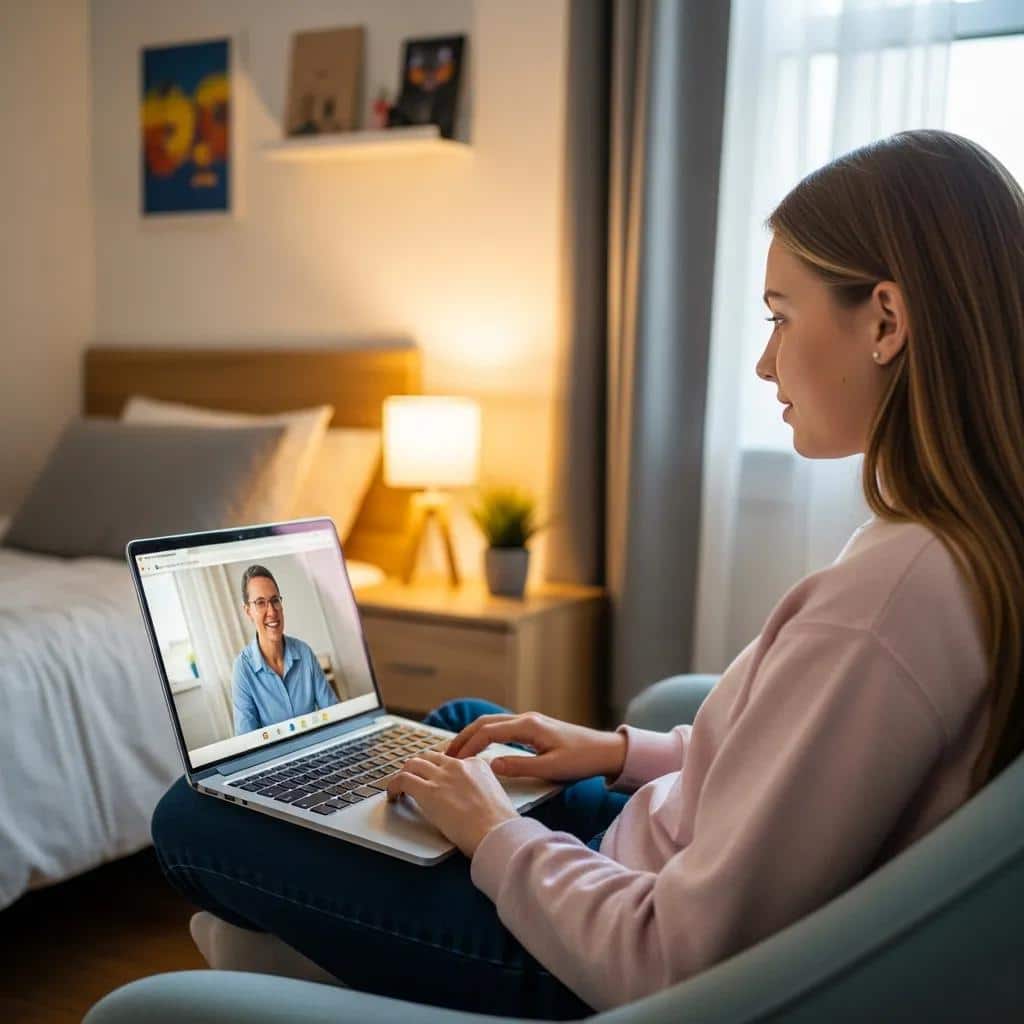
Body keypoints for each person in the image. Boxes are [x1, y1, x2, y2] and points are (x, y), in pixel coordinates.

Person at [152, 130, 1024, 1018]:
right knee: (460, 729)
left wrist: (491, 830)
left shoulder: (887, 603)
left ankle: (295, 961)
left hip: (594, 950)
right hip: (636, 859)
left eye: (779, 315)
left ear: (885, 321)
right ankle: (312, 940)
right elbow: (790, 775)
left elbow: (669, 960)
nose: (765, 362)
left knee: (190, 820)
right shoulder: (947, 547)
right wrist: (616, 750)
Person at [232, 565, 337, 735]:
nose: (272, 611)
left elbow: (333, 713)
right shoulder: (242, 669)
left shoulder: (304, 653)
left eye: (275, 600)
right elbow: (247, 743)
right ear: (248, 611)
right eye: (260, 603)